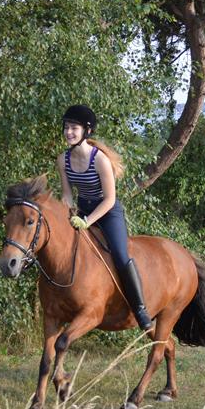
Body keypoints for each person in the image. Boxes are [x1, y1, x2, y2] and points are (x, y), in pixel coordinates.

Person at [58, 104, 154, 333]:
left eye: (74, 128)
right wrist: (69, 212)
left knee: (120, 256)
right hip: (81, 210)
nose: (69, 132)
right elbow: (67, 194)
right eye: (66, 128)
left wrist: (87, 221)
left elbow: (110, 199)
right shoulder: (63, 159)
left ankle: (140, 309)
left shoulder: (100, 160)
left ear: (86, 131)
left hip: (107, 213)